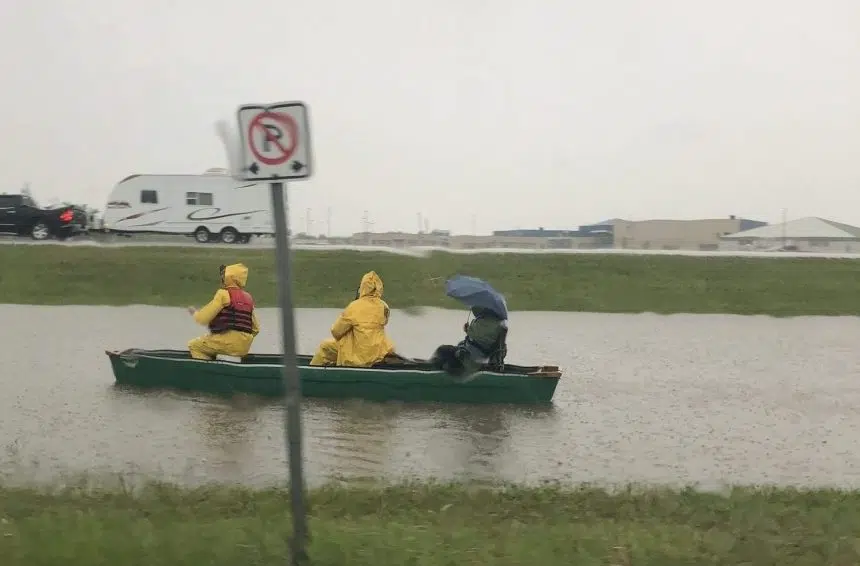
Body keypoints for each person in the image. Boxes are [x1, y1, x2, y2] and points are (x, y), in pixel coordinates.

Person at [310, 270, 396, 367]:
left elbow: (336, 332)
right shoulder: (384, 306)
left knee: (325, 347)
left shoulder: (354, 306)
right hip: (377, 354)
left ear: (363, 287)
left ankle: (312, 373)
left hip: (356, 355)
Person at [187, 263, 260, 361]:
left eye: (224, 275)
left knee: (194, 345)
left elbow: (202, 319)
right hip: (244, 347)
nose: (222, 278)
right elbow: (255, 329)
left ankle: (208, 373)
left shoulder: (223, 294)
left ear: (229, 277)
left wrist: (194, 313)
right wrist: (241, 338)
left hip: (225, 343)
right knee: (213, 344)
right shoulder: (248, 298)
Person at [430, 306, 508, 377]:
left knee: (443, 350)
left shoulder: (484, 322)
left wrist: (468, 330)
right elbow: (481, 337)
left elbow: (480, 336)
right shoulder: (493, 323)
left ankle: (435, 368)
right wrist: (468, 330)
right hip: (470, 350)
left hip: (471, 354)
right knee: (446, 352)